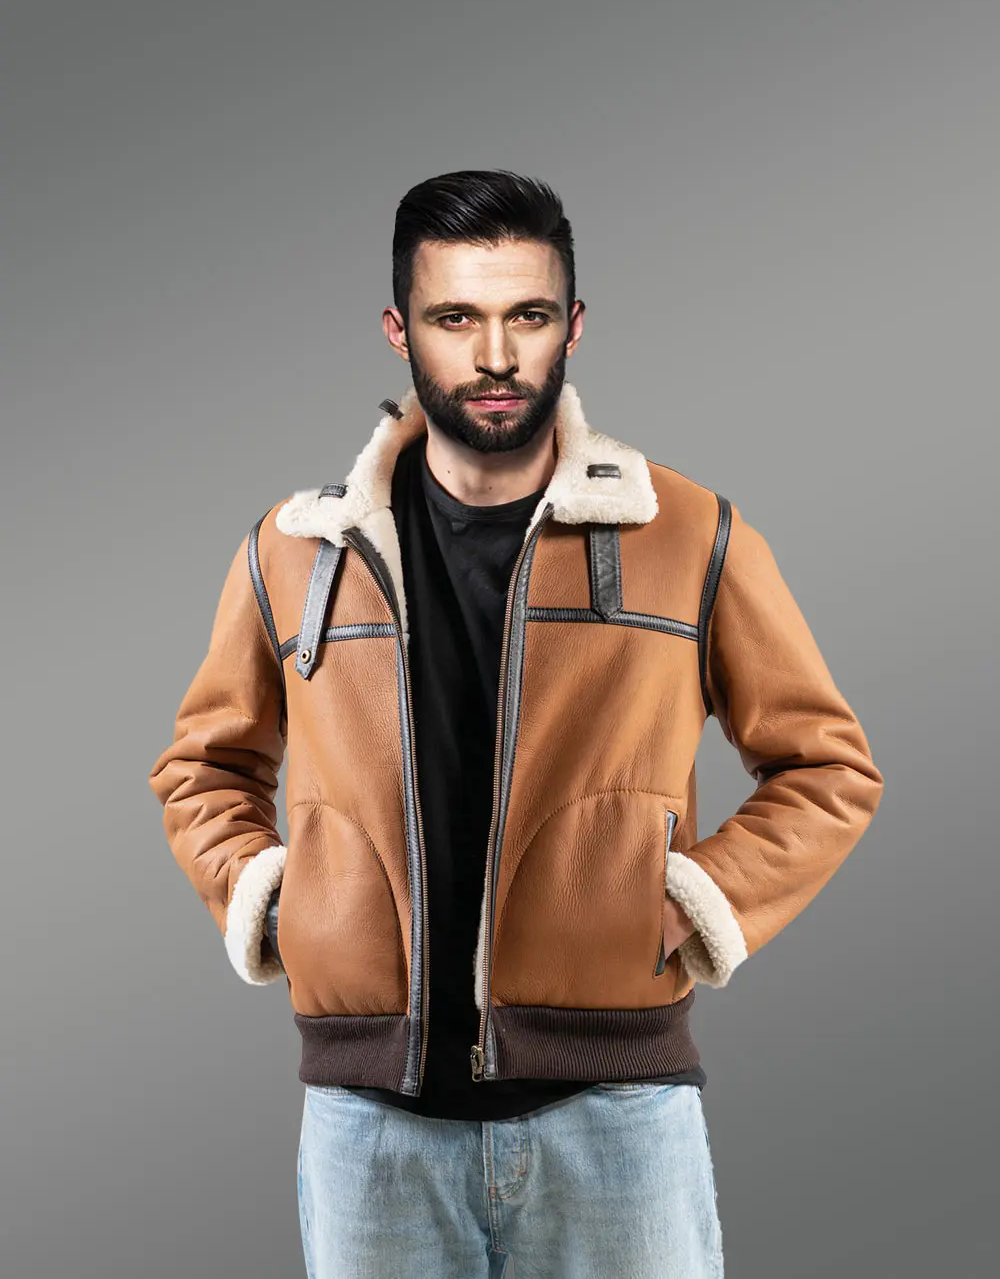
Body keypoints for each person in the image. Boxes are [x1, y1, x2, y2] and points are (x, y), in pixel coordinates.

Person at [149, 169, 884, 1278]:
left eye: (526, 315)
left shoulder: (685, 532)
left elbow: (827, 765)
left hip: (619, 1118)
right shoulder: (296, 552)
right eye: (456, 318)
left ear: (572, 326)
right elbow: (202, 766)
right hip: (369, 1130)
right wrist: (280, 900)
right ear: (399, 330)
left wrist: (698, 898)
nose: (495, 355)